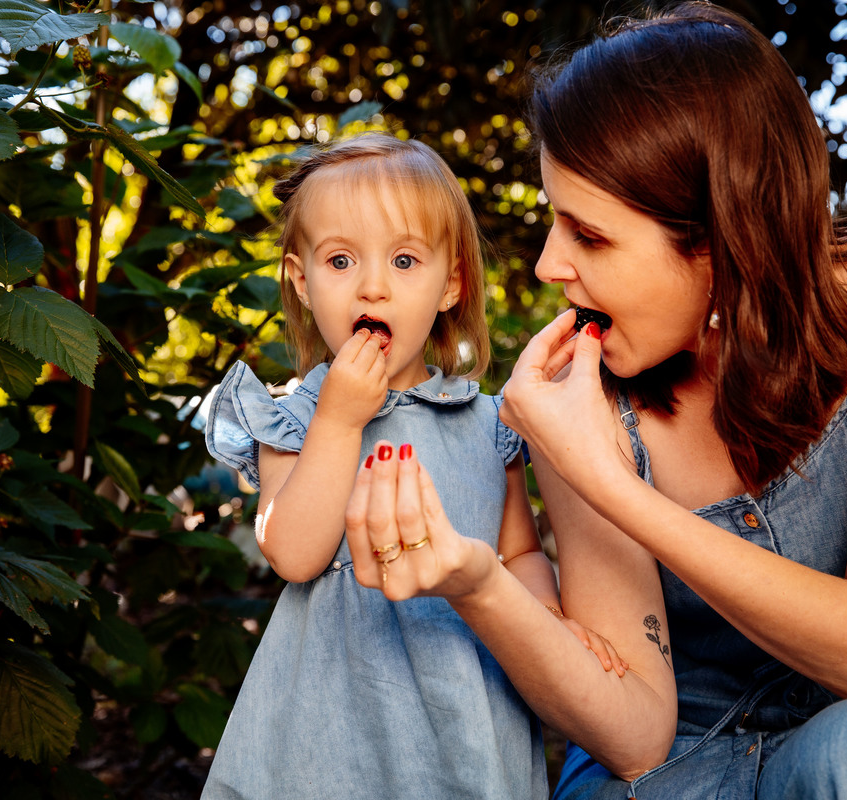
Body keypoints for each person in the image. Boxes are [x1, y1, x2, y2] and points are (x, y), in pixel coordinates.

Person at [343, 3, 847, 798]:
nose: (549, 265)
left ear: (725, 239)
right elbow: (634, 734)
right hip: (684, 759)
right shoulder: (580, 396)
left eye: (589, 236)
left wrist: (614, 487)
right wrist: (485, 574)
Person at [201, 132, 623, 799]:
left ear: (451, 283)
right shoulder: (296, 417)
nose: (372, 286)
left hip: (462, 709)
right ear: (300, 281)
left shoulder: (488, 425)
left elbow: (517, 553)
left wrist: (548, 614)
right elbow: (293, 552)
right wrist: (339, 420)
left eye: (403, 260)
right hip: (326, 732)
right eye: (340, 260)